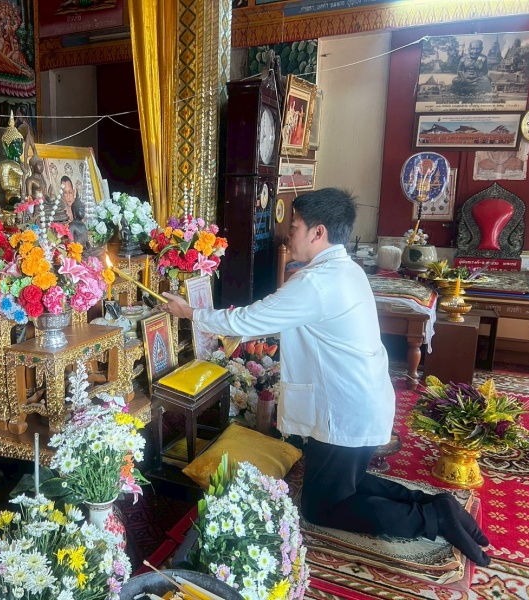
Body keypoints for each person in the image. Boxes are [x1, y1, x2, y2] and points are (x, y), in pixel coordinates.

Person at [161, 188, 491, 567]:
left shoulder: (316, 283)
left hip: (345, 409)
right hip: (360, 400)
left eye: (295, 227)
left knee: (322, 507)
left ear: (318, 232)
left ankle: (431, 518)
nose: (288, 234)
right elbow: (270, 319)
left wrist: (190, 313)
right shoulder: (345, 269)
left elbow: (249, 320)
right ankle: (435, 504)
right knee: (344, 484)